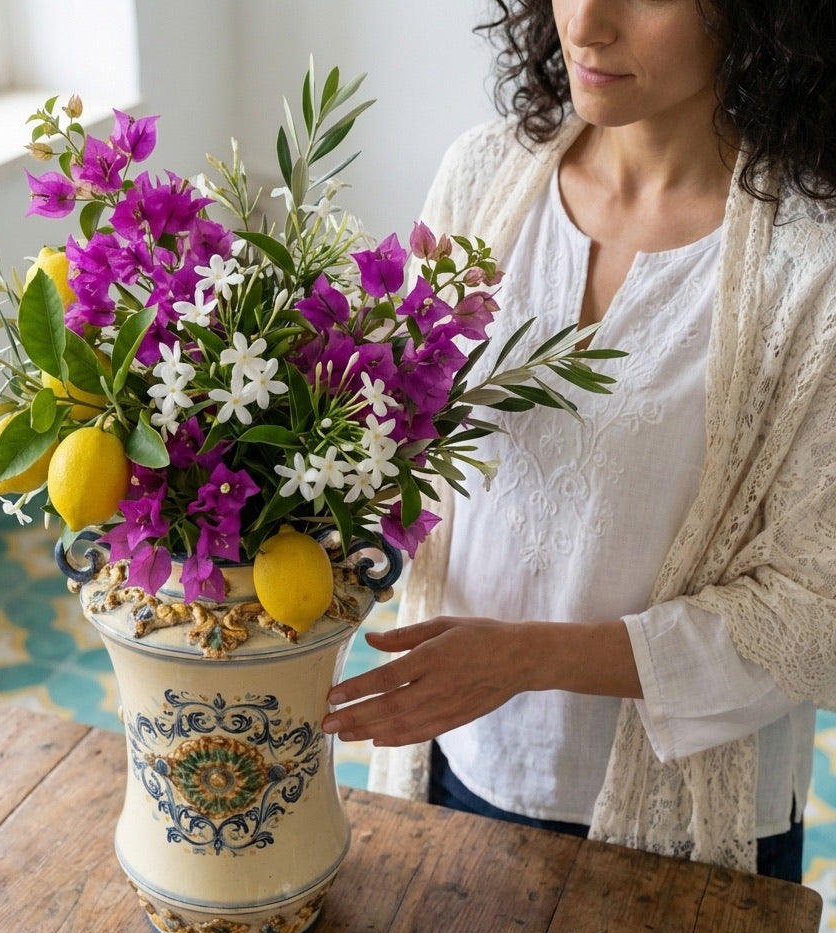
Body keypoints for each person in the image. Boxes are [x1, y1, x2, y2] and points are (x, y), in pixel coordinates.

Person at [322, 0, 836, 881]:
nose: (586, 24)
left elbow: (813, 611)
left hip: (677, 826)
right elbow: (399, 438)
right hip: (448, 755)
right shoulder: (484, 171)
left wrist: (526, 659)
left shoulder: (815, 261)